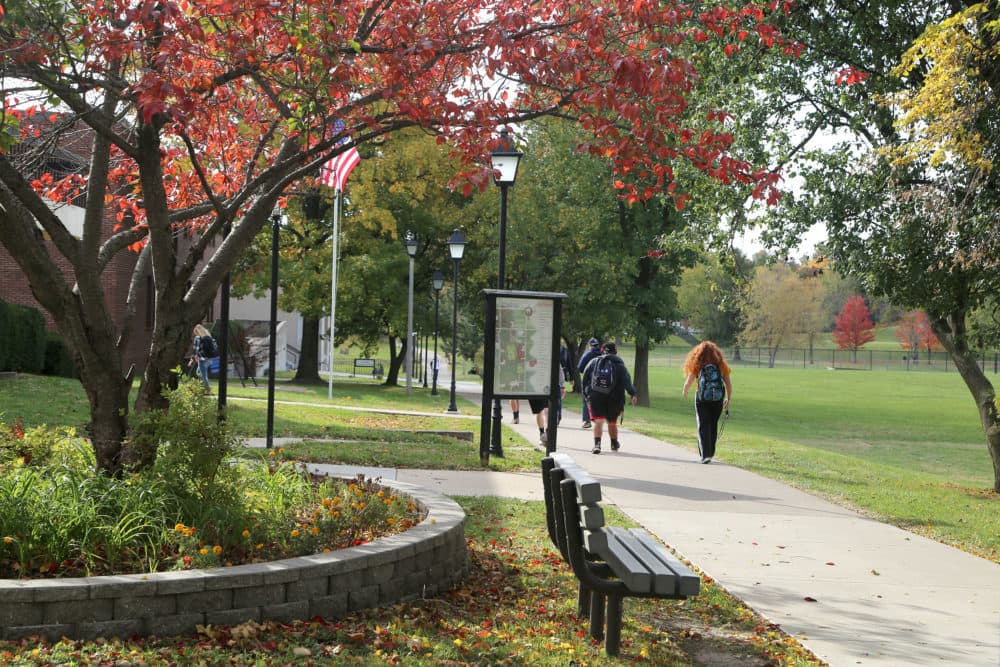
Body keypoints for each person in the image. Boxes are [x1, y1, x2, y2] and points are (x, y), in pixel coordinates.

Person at [682, 341, 733, 464]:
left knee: (703, 424)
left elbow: (689, 381)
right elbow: (728, 383)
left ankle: (705, 455)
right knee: (713, 425)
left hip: (702, 399)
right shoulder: (721, 365)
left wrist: (685, 390)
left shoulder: (698, 364)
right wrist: (728, 398)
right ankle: (710, 453)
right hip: (718, 399)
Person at [581, 341, 637, 454]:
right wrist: (633, 394)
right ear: (615, 352)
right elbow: (627, 381)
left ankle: (597, 445)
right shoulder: (619, 365)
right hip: (615, 398)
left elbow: (585, 378)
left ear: (602, 351)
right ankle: (614, 443)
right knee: (612, 422)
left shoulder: (594, 362)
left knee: (599, 421)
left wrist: (586, 393)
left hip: (596, 396)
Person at [529, 370, 567, 446]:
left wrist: (562, 386)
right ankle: (542, 434)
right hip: (535, 387)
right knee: (539, 411)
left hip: (550, 386)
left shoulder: (552, 358)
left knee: (548, 410)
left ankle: (547, 433)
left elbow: (559, 370)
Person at [576, 337, 602, 428]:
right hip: (601, 381)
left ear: (590, 345)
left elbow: (580, 368)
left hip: (589, 381)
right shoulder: (603, 354)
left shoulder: (587, 354)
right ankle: (598, 419)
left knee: (586, 399)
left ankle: (587, 421)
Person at [191, 324, 217, 391]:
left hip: (203, 359)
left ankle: (207, 388)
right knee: (199, 372)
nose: (196, 334)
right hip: (209, 358)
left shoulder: (203, 338)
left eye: (196, 332)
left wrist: (197, 355)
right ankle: (202, 387)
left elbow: (202, 349)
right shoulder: (209, 337)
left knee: (202, 374)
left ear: (198, 331)